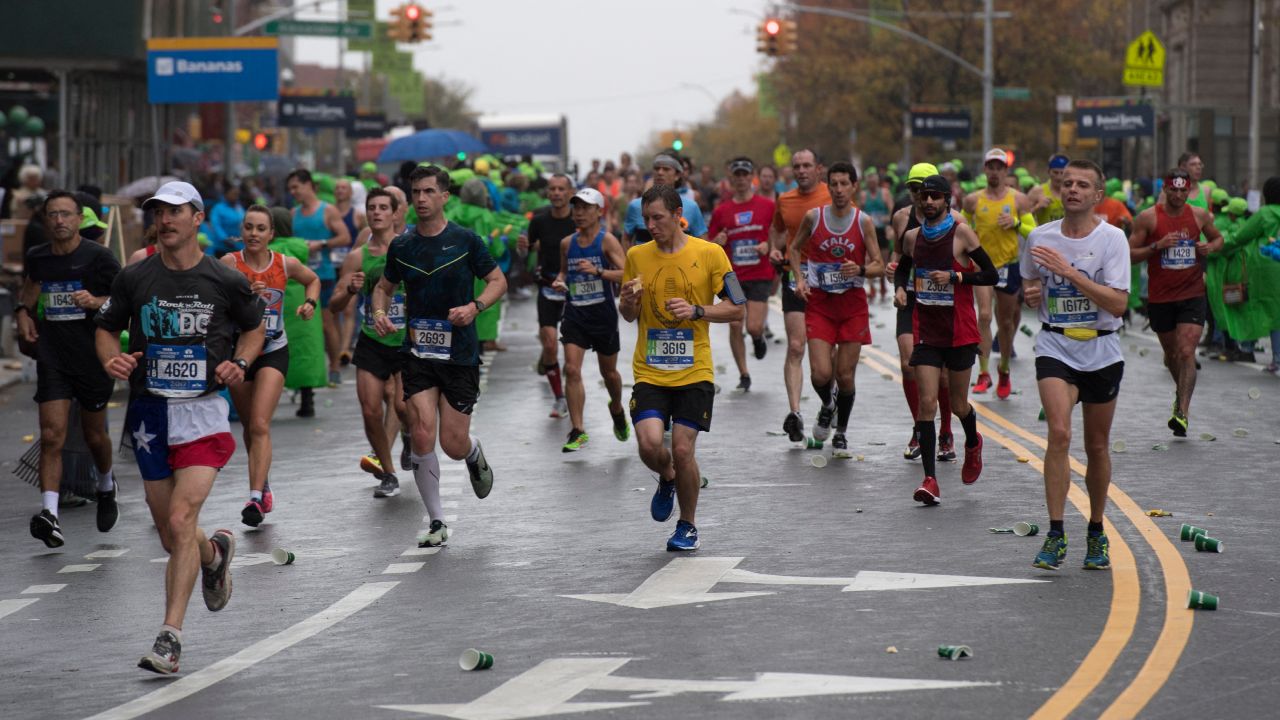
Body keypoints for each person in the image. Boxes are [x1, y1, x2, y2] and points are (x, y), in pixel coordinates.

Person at [95, 181, 265, 674]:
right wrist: (112, 360)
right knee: (174, 536)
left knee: (179, 519)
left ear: (197, 218)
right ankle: (213, 555)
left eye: (175, 212)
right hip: (150, 414)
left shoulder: (224, 278)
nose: (164, 220)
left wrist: (240, 361)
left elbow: (254, 327)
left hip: (202, 412)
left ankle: (170, 637)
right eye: (158, 213)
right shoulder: (134, 277)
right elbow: (105, 328)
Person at [370, 164, 504, 548]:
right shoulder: (403, 246)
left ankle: (473, 451)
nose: (422, 199)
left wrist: (475, 307)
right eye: (416, 193)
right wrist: (380, 312)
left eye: (429, 192)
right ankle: (436, 521)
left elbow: (498, 281)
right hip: (418, 352)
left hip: (459, 352)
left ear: (445, 196)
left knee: (452, 442)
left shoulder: (466, 241)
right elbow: (384, 287)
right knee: (423, 431)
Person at [620, 184, 745, 551]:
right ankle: (667, 476)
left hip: (695, 371)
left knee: (684, 449)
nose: (651, 225)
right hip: (650, 369)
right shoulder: (637, 256)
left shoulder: (710, 254)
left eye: (658, 218)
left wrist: (697, 310)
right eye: (646, 219)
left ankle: (687, 525)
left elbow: (738, 307)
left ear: (679, 216)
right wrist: (627, 301)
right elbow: (627, 315)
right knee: (648, 444)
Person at [1022, 160, 1130, 571]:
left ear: (1097, 195)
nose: (1073, 190)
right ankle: (1055, 533)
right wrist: (1033, 294)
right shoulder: (1038, 237)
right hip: (1056, 346)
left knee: (1096, 446)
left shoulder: (1112, 239)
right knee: (1060, 433)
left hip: (1102, 349)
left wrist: (1070, 272)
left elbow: (1118, 303)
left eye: (1083, 185)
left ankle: (1097, 530)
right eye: (1067, 183)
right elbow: (1031, 283)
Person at [17, 190, 121, 547]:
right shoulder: (38, 257)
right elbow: (30, 287)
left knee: (94, 436)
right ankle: (50, 514)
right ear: (46, 220)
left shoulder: (99, 258)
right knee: (51, 435)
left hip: (92, 356)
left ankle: (106, 485)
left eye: (66, 214)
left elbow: (124, 301)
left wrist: (96, 301)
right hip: (53, 356)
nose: (59, 220)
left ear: (80, 219)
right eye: (52, 214)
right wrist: (21, 313)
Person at [896, 175, 999, 505]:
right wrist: (900, 288)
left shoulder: (961, 233)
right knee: (927, 403)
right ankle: (930, 480)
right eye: (924, 196)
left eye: (935, 197)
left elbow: (990, 274)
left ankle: (972, 442)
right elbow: (903, 268)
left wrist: (956, 276)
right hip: (927, 331)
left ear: (946, 200)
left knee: (957, 405)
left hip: (959, 332)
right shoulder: (912, 237)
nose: (928, 202)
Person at [221, 205, 320, 527]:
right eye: (248, 227)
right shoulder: (228, 265)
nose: (253, 234)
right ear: (242, 231)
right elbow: (213, 305)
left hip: (274, 349)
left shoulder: (283, 263)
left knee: (261, 424)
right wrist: (243, 297)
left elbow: (313, 279)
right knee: (250, 425)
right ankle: (262, 484)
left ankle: (253, 497)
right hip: (239, 353)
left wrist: (309, 303)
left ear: (271, 234)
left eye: (260, 228)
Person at [790, 162, 884, 456]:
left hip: (852, 304)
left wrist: (862, 269)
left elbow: (879, 265)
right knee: (820, 373)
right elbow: (794, 249)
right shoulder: (813, 217)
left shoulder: (863, 221)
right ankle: (828, 404)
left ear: (854, 186)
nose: (840, 190)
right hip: (820, 303)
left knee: (844, 375)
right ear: (827, 187)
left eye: (845, 184)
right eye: (835, 184)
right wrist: (800, 279)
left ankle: (840, 431)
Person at [1128, 168, 1224, 436]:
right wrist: (1156, 246)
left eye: (1184, 190)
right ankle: (1179, 393)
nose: (1179, 194)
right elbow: (1128, 253)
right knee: (1172, 355)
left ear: (1189, 190)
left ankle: (1182, 411)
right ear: (1165, 190)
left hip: (1192, 293)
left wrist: (1210, 247)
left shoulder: (1198, 215)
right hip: (1161, 297)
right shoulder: (1148, 218)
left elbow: (1218, 238)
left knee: (1186, 352)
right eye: (1174, 189)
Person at [330, 188, 411, 497]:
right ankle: (388, 473)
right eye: (372, 207)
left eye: (382, 208)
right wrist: (349, 290)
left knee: (403, 408)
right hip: (371, 340)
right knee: (370, 411)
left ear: (394, 214)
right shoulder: (357, 257)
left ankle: (407, 434)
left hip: (405, 342)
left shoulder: (408, 250)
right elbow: (335, 305)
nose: (377, 212)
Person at [888, 163, 961, 462]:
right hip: (911, 298)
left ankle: (945, 431)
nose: (921, 196)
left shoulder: (957, 220)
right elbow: (899, 256)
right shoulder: (901, 218)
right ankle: (921, 427)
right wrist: (897, 281)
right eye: (915, 189)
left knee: (942, 376)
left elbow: (969, 262)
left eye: (926, 190)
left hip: (942, 302)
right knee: (908, 366)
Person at [550, 188, 629, 451]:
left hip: (602, 315)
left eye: (585, 207)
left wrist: (598, 271)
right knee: (571, 369)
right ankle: (578, 430)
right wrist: (560, 282)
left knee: (609, 373)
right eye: (577, 208)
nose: (579, 213)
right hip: (575, 314)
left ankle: (616, 407)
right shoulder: (567, 243)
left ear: (599, 211)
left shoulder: (607, 242)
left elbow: (628, 274)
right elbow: (563, 273)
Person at [963, 148, 1035, 399]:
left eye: (999, 167)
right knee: (983, 316)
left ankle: (1003, 369)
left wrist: (1015, 223)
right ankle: (984, 373)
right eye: (990, 167)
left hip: (1008, 265)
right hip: (983, 267)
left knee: (1005, 322)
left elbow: (1032, 232)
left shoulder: (1018, 200)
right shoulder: (973, 200)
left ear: (1006, 171)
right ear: (985, 169)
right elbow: (961, 227)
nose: (994, 172)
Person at [769, 149, 831, 441]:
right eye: (797, 166)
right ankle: (795, 413)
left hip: (828, 278)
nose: (802, 170)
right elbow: (777, 230)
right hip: (795, 274)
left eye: (807, 165)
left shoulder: (833, 195)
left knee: (825, 356)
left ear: (818, 168)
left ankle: (828, 404)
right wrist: (773, 248)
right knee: (796, 346)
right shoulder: (785, 199)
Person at [707, 157, 776, 391]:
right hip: (733, 276)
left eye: (745, 174)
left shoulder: (767, 206)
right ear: (731, 178)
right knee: (736, 323)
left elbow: (780, 233)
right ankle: (744, 373)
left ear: (751, 177)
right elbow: (709, 243)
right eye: (736, 175)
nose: (741, 179)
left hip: (759, 273)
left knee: (754, 326)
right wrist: (717, 240)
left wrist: (769, 244)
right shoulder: (722, 211)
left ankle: (757, 338)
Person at [286, 169, 351, 389]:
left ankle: (333, 367)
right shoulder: (293, 214)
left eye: (296, 187)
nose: (293, 192)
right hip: (298, 280)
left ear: (308, 185)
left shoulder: (327, 210)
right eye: (290, 189)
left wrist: (320, 244)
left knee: (326, 324)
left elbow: (344, 236)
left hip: (323, 275)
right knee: (303, 325)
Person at [518, 174, 576, 419]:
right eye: (552, 189)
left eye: (561, 189)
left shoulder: (579, 220)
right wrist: (523, 249)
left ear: (570, 192)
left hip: (574, 292)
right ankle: (559, 398)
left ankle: (574, 389)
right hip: (547, 287)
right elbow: (526, 252)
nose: (556, 193)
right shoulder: (540, 221)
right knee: (550, 344)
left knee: (572, 356)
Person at [1228, 177, 1280, 371]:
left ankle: (1250, 348)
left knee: (1262, 308)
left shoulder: (1264, 214)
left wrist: (1219, 245)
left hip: (1266, 269)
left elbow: (1242, 236)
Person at [623, 154, 707, 247]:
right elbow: (626, 239)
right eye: (656, 169)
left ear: (677, 175)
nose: (660, 172)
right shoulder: (636, 206)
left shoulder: (691, 207)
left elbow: (703, 241)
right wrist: (630, 260)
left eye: (666, 169)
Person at [330, 178, 367, 369]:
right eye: (337, 188)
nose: (340, 191)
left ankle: (345, 349)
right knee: (334, 310)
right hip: (332, 266)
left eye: (344, 188)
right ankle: (337, 349)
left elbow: (365, 239)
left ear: (350, 193)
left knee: (349, 309)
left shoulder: (358, 216)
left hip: (351, 267)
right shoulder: (330, 212)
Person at [858, 167, 894, 302]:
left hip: (882, 230)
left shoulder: (884, 193)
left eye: (874, 180)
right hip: (869, 231)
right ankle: (872, 288)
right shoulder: (863, 195)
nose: (872, 182)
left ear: (877, 181)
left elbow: (892, 211)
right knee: (869, 260)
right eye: (869, 180)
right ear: (867, 182)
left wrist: (888, 222)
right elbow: (859, 213)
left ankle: (883, 286)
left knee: (883, 261)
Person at [1029, 154, 1069, 226]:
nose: (1059, 177)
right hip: (1046, 236)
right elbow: (1022, 218)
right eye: (1055, 172)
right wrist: (1037, 207)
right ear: (1049, 171)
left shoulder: (1072, 192)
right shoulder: (1037, 191)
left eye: (1062, 173)